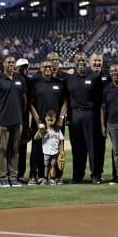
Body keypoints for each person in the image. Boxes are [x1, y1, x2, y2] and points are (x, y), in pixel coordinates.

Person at [27, 59, 67, 185]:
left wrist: (61, 118)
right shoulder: (35, 83)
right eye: (45, 67)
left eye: (49, 66)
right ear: (40, 68)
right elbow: (30, 103)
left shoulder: (60, 83)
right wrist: (38, 120)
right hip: (40, 123)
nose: (48, 68)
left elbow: (65, 102)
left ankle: (57, 177)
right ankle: (35, 175)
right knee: (36, 149)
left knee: (58, 150)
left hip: (56, 124)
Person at [0, 55, 27, 187]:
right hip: (3, 120)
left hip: (17, 121)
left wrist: (22, 118)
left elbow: (24, 100)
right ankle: (3, 177)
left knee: (15, 149)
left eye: (13, 62)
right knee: (3, 149)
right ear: (4, 64)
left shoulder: (20, 79)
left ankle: (13, 176)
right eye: (8, 62)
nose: (11, 64)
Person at [66, 52, 102, 184]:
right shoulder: (69, 77)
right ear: (74, 62)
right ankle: (77, 176)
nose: (81, 62)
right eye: (78, 60)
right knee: (76, 147)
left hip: (90, 114)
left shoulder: (94, 77)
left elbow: (100, 100)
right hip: (74, 115)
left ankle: (95, 175)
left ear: (87, 61)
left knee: (92, 146)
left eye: (83, 60)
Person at [47, 52, 69, 185]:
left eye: (56, 59)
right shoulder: (41, 76)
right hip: (46, 120)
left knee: (60, 148)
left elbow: (66, 99)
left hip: (59, 120)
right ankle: (44, 175)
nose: (55, 62)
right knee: (44, 148)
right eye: (52, 60)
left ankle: (58, 175)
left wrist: (61, 117)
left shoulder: (64, 77)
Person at [89, 51, 110, 182]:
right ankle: (79, 174)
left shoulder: (107, 76)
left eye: (99, 61)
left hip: (105, 116)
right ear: (90, 62)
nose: (97, 63)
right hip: (88, 116)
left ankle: (98, 173)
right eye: (95, 61)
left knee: (100, 146)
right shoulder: (84, 75)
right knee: (86, 146)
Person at [34, 110, 65, 185]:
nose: (50, 122)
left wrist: (61, 152)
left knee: (53, 165)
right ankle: (45, 178)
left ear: (55, 120)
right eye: (48, 120)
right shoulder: (43, 130)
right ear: (45, 119)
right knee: (46, 165)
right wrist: (39, 131)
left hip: (55, 152)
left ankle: (52, 179)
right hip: (46, 151)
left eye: (52, 120)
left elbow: (61, 141)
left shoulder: (57, 130)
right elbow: (35, 138)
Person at [15, 58, 31, 183]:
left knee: (22, 149)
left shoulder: (29, 81)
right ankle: (11, 174)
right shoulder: (11, 80)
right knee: (12, 148)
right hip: (12, 119)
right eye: (22, 67)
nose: (24, 69)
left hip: (24, 120)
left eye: (25, 67)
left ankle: (20, 174)